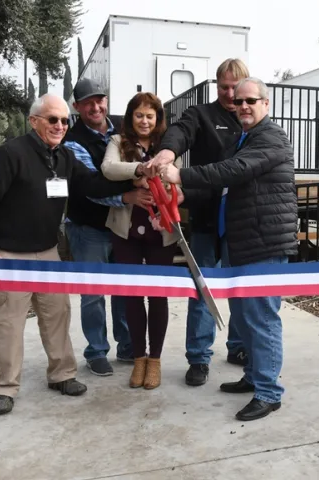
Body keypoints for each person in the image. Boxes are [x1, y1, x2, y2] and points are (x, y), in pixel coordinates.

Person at [0, 94, 135, 415]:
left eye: (64, 120)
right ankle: (4, 387)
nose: (60, 125)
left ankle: (62, 375)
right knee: (7, 324)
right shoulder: (7, 155)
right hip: (7, 257)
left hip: (48, 254)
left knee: (57, 316)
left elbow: (93, 185)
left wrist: (135, 179)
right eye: (52, 119)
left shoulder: (63, 158)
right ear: (34, 121)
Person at [160, 78, 298, 421]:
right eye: (239, 101)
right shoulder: (247, 137)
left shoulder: (271, 137)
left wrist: (181, 177)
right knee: (247, 317)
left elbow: (235, 170)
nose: (244, 106)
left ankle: (268, 392)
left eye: (251, 100)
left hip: (262, 243)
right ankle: (254, 377)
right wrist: (183, 194)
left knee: (261, 318)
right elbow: (227, 185)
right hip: (244, 242)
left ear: (266, 103)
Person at [146, 58, 250, 388]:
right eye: (223, 87)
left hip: (241, 220)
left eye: (236, 87)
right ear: (216, 85)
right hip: (205, 217)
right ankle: (199, 358)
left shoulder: (255, 122)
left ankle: (238, 348)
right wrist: (167, 154)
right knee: (202, 290)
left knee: (240, 290)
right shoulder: (201, 115)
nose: (230, 94)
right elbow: (180, 131)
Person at [101, 92, 181, 389]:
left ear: (158, 119)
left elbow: (176, 175)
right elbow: (108, 169)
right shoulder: (116, 142)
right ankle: (138, 358)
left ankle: (156, 360)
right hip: (126, 231)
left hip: (162, 230)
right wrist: (139, 172)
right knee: (132, 295)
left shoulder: (168, 147)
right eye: (139, 115)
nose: (144, 121)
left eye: (150, 116)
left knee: (158, 296)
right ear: (130, 118)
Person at [64, 78, 133, 377]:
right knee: (92, 293)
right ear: (77, 107)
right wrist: (129, 193)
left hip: (120, 226)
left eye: (100, 100)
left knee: (124, 290)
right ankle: (96, 351)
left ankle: (128, 346)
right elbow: (88, 184)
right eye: (88, 102)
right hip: (88, 227)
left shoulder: (123, 128)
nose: (96, 106)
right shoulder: (71, 140)